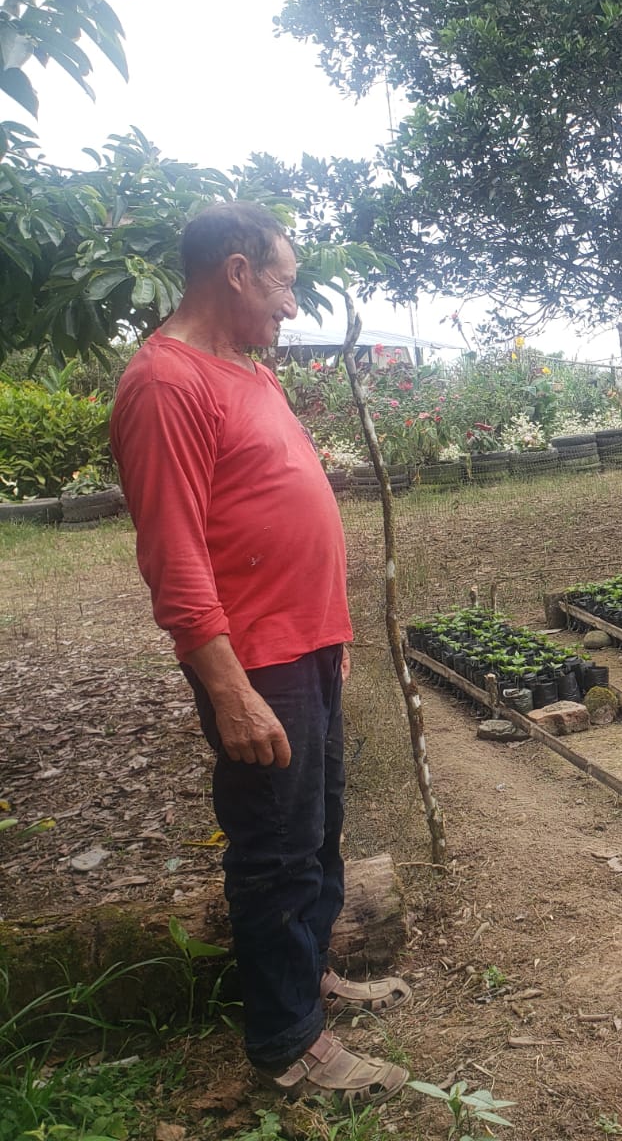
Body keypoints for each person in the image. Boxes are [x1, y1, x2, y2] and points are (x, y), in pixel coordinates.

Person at [111, 202, 410, 1107]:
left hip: (306, 646)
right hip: (255, 663)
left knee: (318, 828)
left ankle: (308, 978)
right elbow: (174, 557)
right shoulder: (165, 384)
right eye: (283, 284)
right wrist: (230, 690)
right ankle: (287, 1045)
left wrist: (332, 635)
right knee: (274, 848)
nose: (291, 305)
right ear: (236, 272)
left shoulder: (249, 369)